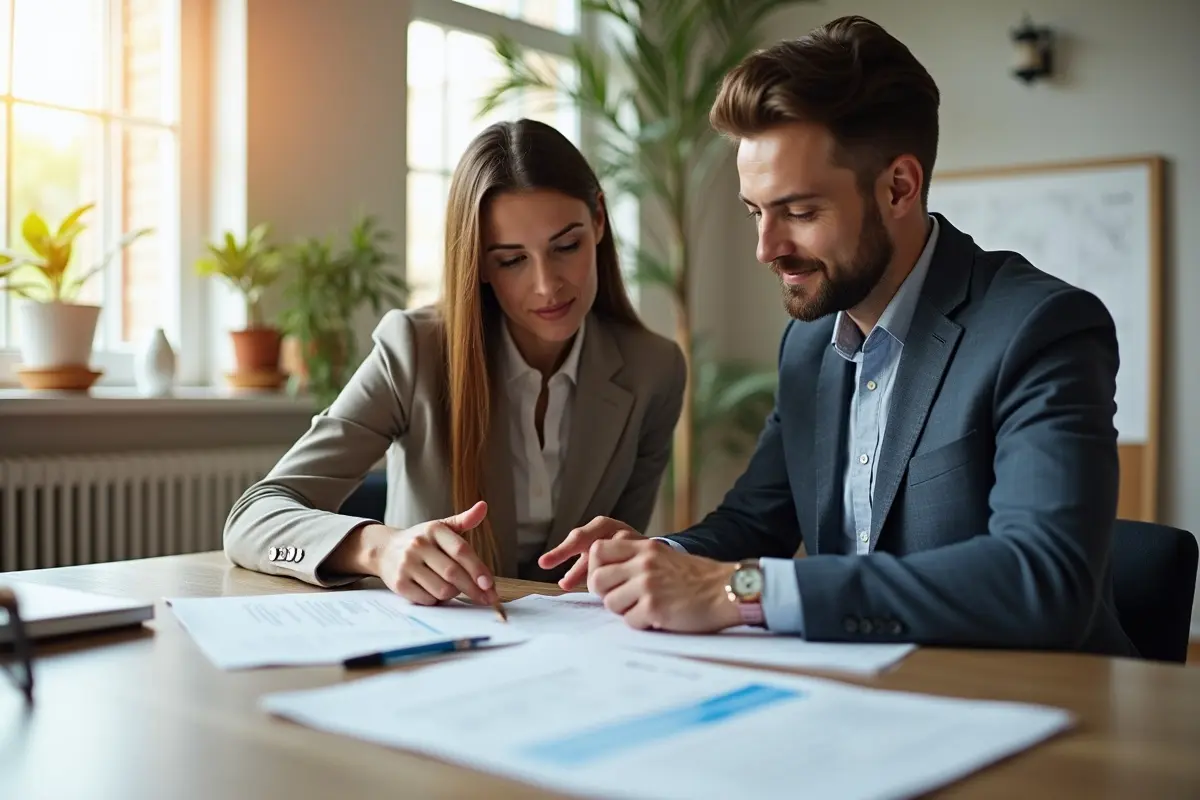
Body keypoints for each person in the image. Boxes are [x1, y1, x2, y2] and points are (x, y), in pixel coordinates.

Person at [541, 16, 1137, 657]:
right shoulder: (809, 346)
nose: (767, 248)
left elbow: (1045, 580)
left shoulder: (1040, 329)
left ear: (899, 187)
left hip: (1035, 700)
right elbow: (755, 521)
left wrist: (743, 591)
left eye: (800, 212)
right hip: (864, 691)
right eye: (755, 212)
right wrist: (658, 558)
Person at [224, 119, 686, 609]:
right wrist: (379, 548)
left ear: (598, 220)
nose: (547, 285)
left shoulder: (653, 371)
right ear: (479, 262)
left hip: (575, 641)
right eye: (512, 260)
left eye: (566, 246)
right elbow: (253, 518)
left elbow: (613, 555)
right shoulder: (414, 350)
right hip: (433, 636)